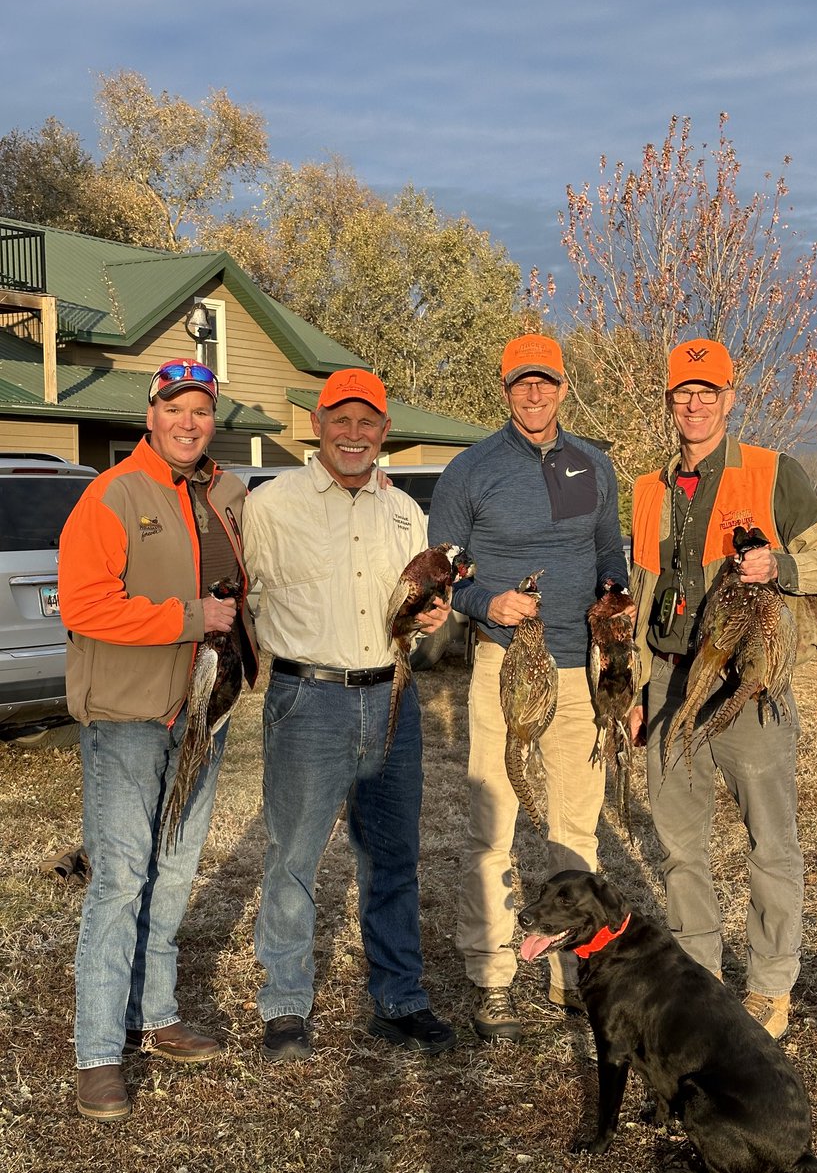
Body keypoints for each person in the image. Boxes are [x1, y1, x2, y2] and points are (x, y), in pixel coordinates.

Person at [629, 338, 817, 1040]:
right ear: (669, 402)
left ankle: (770, 986)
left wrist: (777, 564)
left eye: (708, 393)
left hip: (748, 684)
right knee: (678, 844)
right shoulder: (647, 489)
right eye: (682, 394)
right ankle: (700, 981)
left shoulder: (773, 472)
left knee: (770, 840)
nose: (694, 405)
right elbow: (639, 598)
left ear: (729, 399)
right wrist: (638, 688)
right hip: (668, 679)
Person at [58, 358, 258, 1120]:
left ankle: (156, 1015)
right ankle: (99, 1052)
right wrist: (188, 618)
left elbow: (249, 590)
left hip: (205, 712)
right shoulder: (112, 496)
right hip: (130, 717)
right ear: (151, 414)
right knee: (119, 880)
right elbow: (84, 606)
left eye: (201, 410)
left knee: (174, 873)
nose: (188, 421)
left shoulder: (229, 492)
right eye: (175, 408)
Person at [242, 368, 457, 1061]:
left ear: (384, 432)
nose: (355, 433)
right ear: (318, 423)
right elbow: (248, 598)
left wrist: (430, 620)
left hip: (391, 692)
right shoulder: (273, 505)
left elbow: (412, 610)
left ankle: (399, 998)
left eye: (368, 422)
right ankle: (284, 1007)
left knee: (393, 856)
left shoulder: (403, 514)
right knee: (294, 859)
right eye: (342, 419)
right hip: (309, 698)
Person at [427, 334, 629, 1042]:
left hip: (580, 671)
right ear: (505, 388)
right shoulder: (470, 470)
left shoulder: (594, 465)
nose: (534, 394)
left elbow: (610, 548)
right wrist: (487, 603)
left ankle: (568, 972)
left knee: (575, 825)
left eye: (545, 382)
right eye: (521, 383)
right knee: (495, 824)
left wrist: (616, 592)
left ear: (563, 388)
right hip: (503, 669)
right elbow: (443, 570)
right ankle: (492, 975)